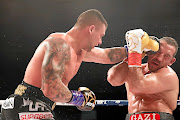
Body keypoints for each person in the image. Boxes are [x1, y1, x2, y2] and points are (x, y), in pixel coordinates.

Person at [1, 9, 127, 120]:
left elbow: (107, 55)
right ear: (91, 29)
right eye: (100, 36)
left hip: (29, 106)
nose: (100, 41)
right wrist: (80, 99)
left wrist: (135, 49)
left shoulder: (80, 50)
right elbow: (50, 89)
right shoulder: (59, 44)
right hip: (27, 104)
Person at [107, 29, 179, 120]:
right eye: (158, 52)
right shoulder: (135, 69)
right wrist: (133, 53)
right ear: (150, 51)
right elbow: (113, 79)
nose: (159, 58)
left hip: (158, 117)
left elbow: (137, 86)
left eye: (166, 56)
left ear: (171, 61)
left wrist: (135, 52)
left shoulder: (169, 76)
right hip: (131, 117)